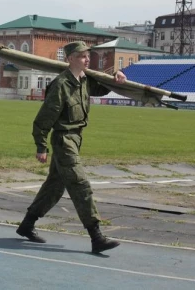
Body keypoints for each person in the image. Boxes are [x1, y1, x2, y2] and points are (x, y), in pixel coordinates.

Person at [16, 41, 127, 254]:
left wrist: (118, 79)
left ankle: (26, 225)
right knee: (80, 184)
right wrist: (41, 146)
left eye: (87, 56)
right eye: (83, 56)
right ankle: (97, 237)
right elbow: (43, 119)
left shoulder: (84, 81)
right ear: (70, 59)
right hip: (63, 140)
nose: (87, 59)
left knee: (54, 187)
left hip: (75, 140)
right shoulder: (61, 85)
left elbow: (103, 88)